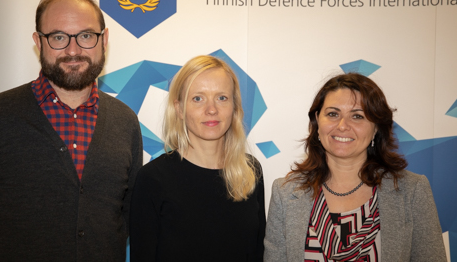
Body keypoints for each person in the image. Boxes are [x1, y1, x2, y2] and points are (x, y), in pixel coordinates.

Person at [0, 0, 143, 261]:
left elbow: (129, 219)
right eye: (58, 37)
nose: (73, 50)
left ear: (104, 40)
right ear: (39, 42)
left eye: (86, 36)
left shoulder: (125, 122)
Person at [264, 73, 447, 262]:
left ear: (376, 127)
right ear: (318, 121)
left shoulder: (412, 191)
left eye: (357, 116)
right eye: (333, 114)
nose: (343, 126)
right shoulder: (285, 193)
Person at [129, 55, 266, 261]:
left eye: (221, 98)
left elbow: (257, 253)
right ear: (179, 109)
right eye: (198, 98)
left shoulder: (250, 170)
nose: (211, 109)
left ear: (234, 108)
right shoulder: (153, 178)